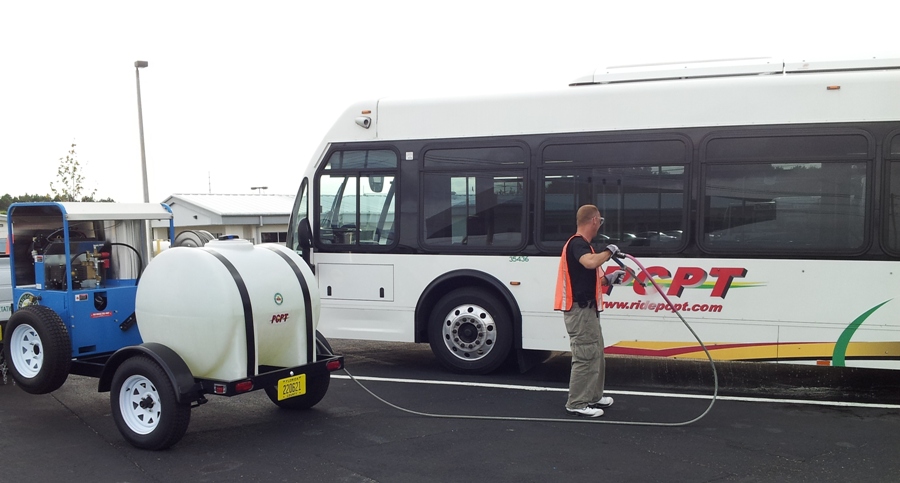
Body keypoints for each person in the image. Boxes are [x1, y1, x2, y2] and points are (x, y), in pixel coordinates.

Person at [554, 204, 625, 418]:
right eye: (600, 221)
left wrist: (609, 279)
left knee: (595, 352)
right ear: (594, 220)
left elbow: (591, 276)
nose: (599, 226)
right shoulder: (577, 245)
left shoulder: (585, 246)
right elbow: (589, 263)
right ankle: (576, 403)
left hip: (588, 311)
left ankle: (593, 396)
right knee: (585, 355)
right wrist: (609, 251)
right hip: (579, 311)